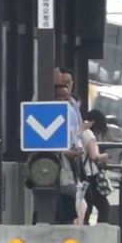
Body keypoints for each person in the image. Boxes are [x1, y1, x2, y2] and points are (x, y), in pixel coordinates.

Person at [53, 67, 82, 225]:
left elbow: (72, 132)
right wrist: (66, 152)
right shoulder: (51, 112)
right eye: (60, 97)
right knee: (62, 202)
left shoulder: (71, 107)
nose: (64, 98)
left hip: (71, 158)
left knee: (70, 200)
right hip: (58, 162)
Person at [78, 110, 112, 225]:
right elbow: (94, 156)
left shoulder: (80, 132)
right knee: (104, 207)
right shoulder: (89, 134)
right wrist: (106, 156)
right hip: (90, 175)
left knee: (87, 205)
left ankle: (85, 227)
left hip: (81, 173)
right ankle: (101, 231)